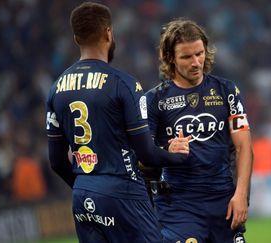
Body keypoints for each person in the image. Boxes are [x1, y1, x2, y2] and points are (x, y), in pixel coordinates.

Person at [45, 2, 190, 242]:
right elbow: (147, 154)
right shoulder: (123, 84)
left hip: (82, 195)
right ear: (109, 33)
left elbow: (56, 162)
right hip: (123, 192)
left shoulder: (56, 88)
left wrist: (88, 185)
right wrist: (178, 156)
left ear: (75, 38)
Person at [145, 18, 253, 242]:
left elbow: (244, 146)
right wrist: (166, 150)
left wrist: (241, 195)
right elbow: (142, 157)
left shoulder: (227, 91)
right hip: (178, 206)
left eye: (199, 53)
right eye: (186, 56)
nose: (196, 62)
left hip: (223, 201)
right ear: (170, 58)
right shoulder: (154, 100)